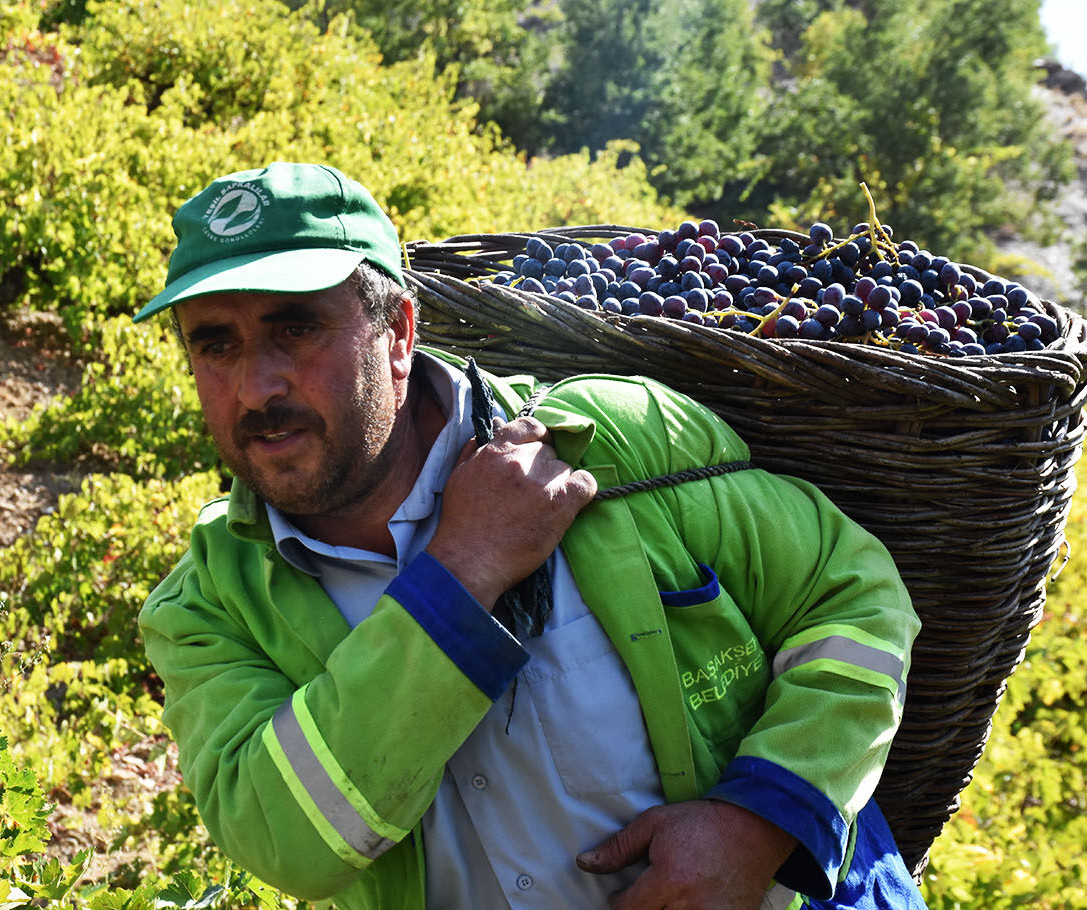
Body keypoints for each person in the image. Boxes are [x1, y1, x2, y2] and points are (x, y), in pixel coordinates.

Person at [135, 162, 927, 910]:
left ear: (399, 333)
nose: (255, 386)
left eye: (296, 328)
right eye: (215, 344)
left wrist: (759, 824)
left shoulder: (609, 443)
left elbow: (853, 598)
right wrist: (462, 572)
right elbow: (287, 840)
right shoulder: (210, 605)